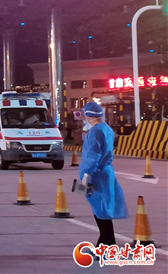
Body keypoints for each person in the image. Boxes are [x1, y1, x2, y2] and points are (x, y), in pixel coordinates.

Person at [77, 101, 128, 246]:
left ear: (88, 115)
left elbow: (93, 155)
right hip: (105, 173)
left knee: (101, 211)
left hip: (97, 175)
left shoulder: (94, 132)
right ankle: (104, 244)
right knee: (103, 210)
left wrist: (86, 175)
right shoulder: (107, 129)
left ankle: (107, 244)